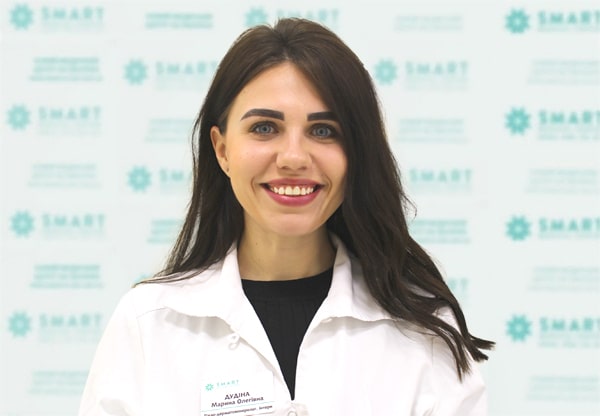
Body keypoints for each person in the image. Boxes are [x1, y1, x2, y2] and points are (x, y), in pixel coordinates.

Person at [79, 18, 494, 416]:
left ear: (357, 154)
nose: (293, 158)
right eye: (264, 128)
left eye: (323, 131)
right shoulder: (148, 324)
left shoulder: (425, 333)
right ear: (222, 150)